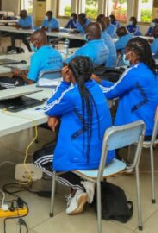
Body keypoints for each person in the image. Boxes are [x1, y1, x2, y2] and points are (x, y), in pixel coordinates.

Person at [33, 56, 113, 215]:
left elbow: (49, 106)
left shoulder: (71, 93)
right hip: (105, 154)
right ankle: (84, 184)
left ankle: (80, 186)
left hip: (84, 156)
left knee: (38, 158)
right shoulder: (97, 88)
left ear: (70, 72)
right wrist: (57, 114)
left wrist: (64, 82)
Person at [94, 37, 158, 137]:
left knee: (101, 121)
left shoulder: (133, 72)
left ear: (132, 54)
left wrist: (93, 85)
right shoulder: (154, 71)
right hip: (154, 127)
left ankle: (110, 151)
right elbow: (121, 87)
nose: (125, 55)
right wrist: (101, 81)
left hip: (139, 129)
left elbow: (110, 94)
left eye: (126, 52)